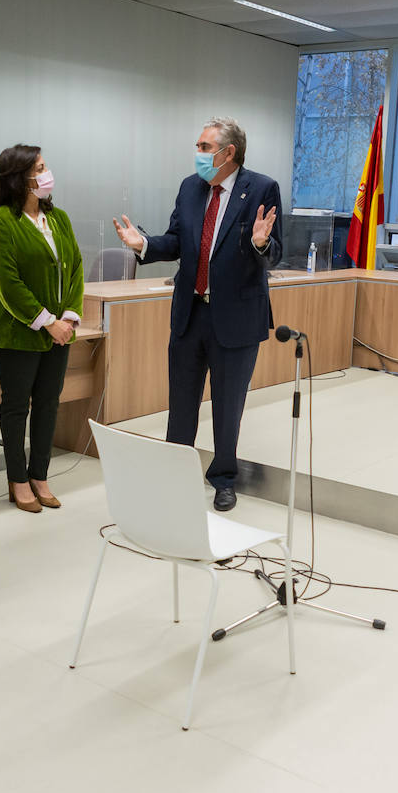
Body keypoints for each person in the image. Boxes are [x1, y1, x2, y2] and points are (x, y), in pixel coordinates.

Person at [113, 118, 282, 512]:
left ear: (229, 153)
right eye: (199, 145)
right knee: (182, 402)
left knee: (228, 405)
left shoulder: (260, 188)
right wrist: (144, 244)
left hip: (236, 318)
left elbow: (274, 251)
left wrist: (260, 243)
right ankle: (174, 475)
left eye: (205, 146)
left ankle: (223, 478)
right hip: (190, 313)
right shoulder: (191, 187)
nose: (199, 153)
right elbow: (176, 240)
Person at [0, 145, 85, 512]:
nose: (47, 174)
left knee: (48, 403)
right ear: (19, 178)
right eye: (40, 168)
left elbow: (75, 268)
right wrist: (48, 322)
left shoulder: (59, 219)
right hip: (17, 334)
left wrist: (70, 318)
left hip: (60, 332)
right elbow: (8, 284)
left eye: (45, 166)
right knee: (16, 407)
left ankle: (39, 475)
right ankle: (18, 480)